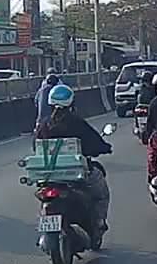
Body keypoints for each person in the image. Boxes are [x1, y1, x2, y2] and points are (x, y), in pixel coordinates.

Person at [35, 83, 113, 239]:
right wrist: (104, 147)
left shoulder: (44, 125)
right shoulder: (77, 123)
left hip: (50, 176)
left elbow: (36, 147)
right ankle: (99, 222)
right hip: (76, 175)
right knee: (101, 193)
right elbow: (95, 143)